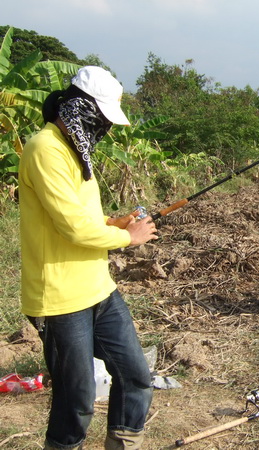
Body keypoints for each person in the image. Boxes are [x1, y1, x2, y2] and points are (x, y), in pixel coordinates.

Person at [18, 66, 158, 449]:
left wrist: (113, 221)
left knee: (136, 378)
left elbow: (84, 217)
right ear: (81, 108)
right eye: (102, 118)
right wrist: (128, 238)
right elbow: (74, 229)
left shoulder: (74, 150)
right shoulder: (45, 149)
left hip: (98, 289)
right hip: (60, 297)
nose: (104, 129)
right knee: (76, 400)